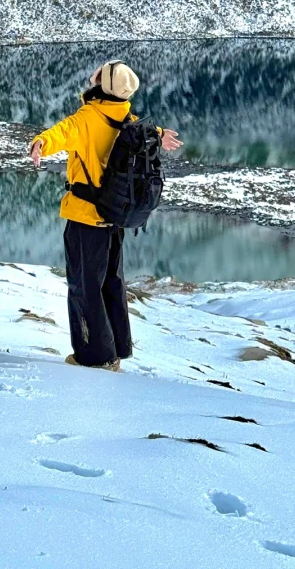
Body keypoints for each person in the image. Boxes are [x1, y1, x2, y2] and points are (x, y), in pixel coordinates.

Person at [29, 61, 181, 370]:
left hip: (86, 216)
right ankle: (119, 347)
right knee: (112, 281)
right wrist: (162, 134)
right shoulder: (127, 116)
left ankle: (94, 355)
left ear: (103, 85)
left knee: (85, 285)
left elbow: (62, 132)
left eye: (100, 73)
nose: (94, 74)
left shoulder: (88, 117)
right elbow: (147, 132)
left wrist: (41, 142)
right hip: (115, 216)